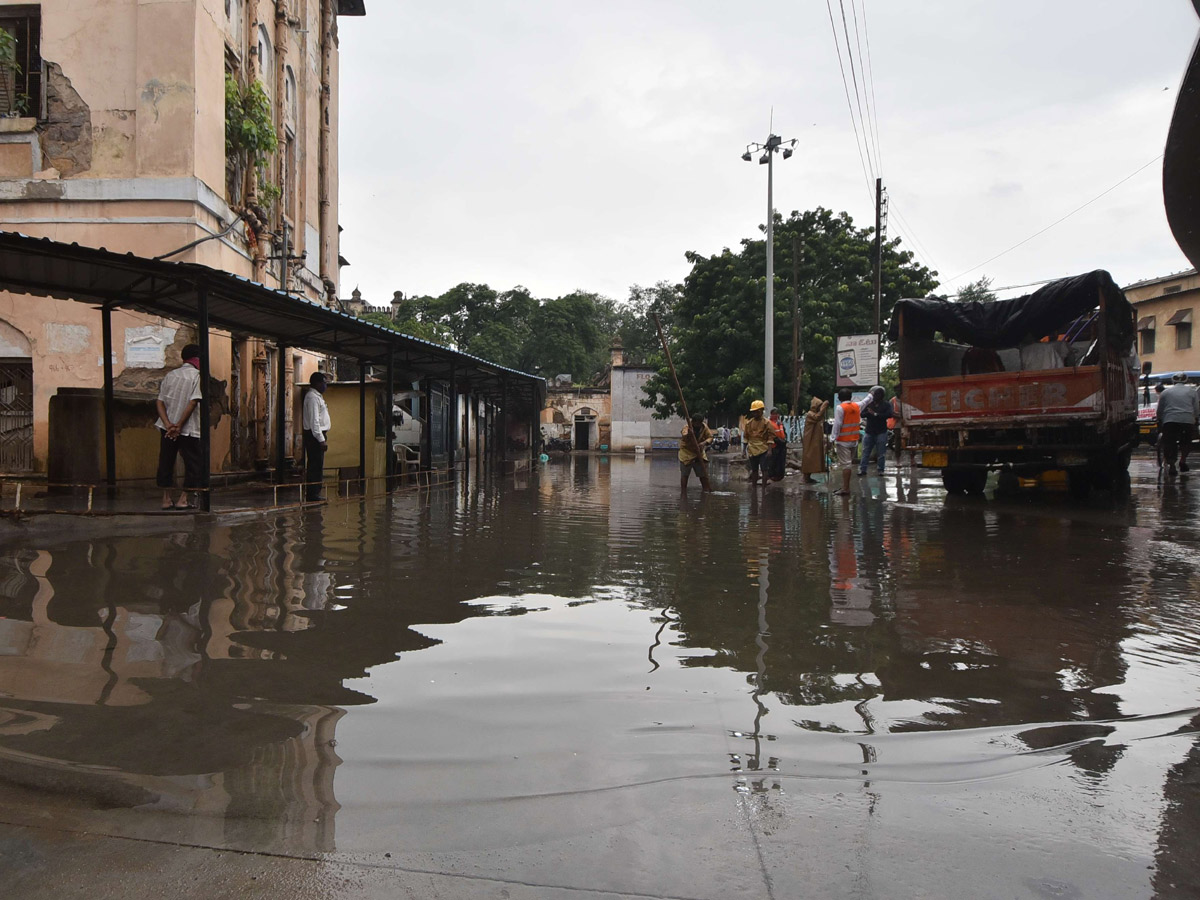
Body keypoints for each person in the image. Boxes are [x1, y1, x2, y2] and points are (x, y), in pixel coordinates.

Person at [155, 343, 204, 510]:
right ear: (198, 359)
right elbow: (193, 402)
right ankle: (183, 499)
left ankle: (166, 499)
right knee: (193, 464)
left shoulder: (170, 375)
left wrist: (169, 424)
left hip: (167, 428)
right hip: (189, 429)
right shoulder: (198, 376)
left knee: (166, 461)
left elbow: (160, 402)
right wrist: (179, 425)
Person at [1157, 372, 1200, 477]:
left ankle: (1172, 465)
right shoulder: (1192, 392)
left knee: (1169, 442)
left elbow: (1160, 409)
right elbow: (1196, 408)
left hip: (1170, 420)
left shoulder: (1166, 392)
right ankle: (1183, 460)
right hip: (1187, 420)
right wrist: (1195, 418)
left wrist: (1159, 418)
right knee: (1186, 442)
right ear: (1186, 380)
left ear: (1173, 381)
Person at [303, 371, 332, 500]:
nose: (325, 386)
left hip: (317, 434)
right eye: (324, 383)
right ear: (317, 383)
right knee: (315, 465)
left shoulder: (317, 396)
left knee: (317, 464)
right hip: (314, 436)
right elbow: (314, 421)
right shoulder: (312, 397)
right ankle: (312, 494)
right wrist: (321, 440)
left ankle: (315, 493)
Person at [829, 387, 861, 495]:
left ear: (839, 398)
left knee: (846, 465)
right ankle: (845, 487)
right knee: (848, 464)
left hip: (843, 441)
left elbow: (837, 424)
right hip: (854, 440)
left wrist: (832, 438)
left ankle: (846, 488)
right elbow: (867, 401)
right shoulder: (857, 406)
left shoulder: (840, 408)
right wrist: (871, 394)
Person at [859, 386, 894, 477]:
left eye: (878, 395)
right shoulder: (869, 404)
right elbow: (862, 414)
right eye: (875, 394)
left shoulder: (886, 405)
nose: (876, 396)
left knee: (881, 452)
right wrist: (869, 413)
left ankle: (880, 470)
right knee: (866, 451)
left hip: (881, 431)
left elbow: (889, 414)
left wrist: (875, 414)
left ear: (882, 396)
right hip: (869, 431)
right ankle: (863, 469)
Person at [744, 399, 774, 489]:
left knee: (764, 469)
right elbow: (746, 437)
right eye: (753, 412)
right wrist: (743, 451)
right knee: (754, 470)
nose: (755, 414)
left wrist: (769, 450)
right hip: (752, 449)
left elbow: (771, 437)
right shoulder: (749, 424)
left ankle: (764, 488)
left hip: (763, 449)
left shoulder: (767, 423)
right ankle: (754, 487)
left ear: (761, 411)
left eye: (756, 412)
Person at [679, 413, 713, 492]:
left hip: (699, 452)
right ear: (693, 422)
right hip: (686, 453)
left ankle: (706, 490)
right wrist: (689, 434)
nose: (698, 425)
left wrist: (704, 443)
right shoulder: (687, 427)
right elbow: (684, 435)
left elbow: (710, 437)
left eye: (700, 423)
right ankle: (683, 492)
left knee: (703, 474)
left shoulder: (704, 427)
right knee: (685, 474)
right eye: (696, 423)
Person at [801, 396, 829, 484]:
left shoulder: (815, 415)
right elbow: (817, 417)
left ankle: (809, 477)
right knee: (808, 457)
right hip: (810, 440)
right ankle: (805, 477)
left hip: (815, 440)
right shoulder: (810, 414)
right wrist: (824, 407)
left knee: (813, 457)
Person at [767, 407, 788, 482]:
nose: (776, 416)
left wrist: (784, 441)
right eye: (774, 414)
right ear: (771, 415)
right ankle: (772, 475)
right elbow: (770, 435)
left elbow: (784, 433)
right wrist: (778, 441)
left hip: (781, 446)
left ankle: (780, 475)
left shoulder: (780, 423)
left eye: (777, 414)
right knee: (773, 462)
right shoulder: (769, 423)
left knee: (781, 461)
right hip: (774, 445)